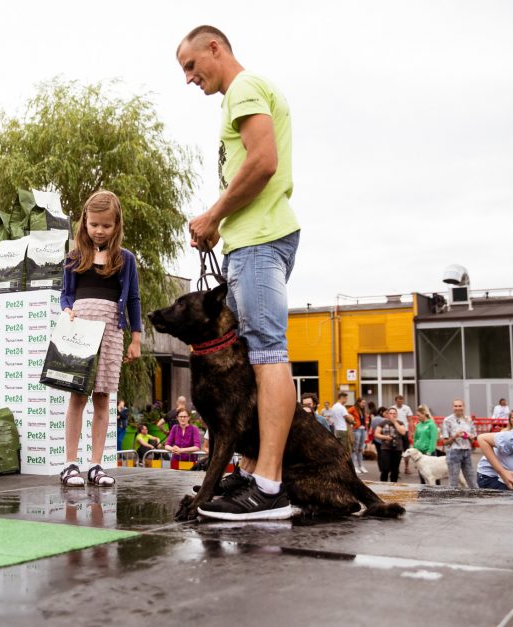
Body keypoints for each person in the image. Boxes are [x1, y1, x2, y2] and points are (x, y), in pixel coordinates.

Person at [180, 24, 300, 521]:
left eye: (191, 66)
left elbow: (264, 161)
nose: (189, 78)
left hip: (258, 240)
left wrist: (212, 216)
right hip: (256, 237)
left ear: (216, 48)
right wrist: (219, 224)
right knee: (256, 354)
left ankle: (268, 487)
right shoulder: (249, 92)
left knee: (268, 352)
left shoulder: (243, 89)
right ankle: (253, 471)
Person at [58, 190, 142, 487]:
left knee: (103, 397)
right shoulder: (74, 256)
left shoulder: (126, 259)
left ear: (116, 225)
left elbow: (132, 299)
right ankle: (70, 463)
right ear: (85, 223)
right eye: (94, 224)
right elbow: (66, 294)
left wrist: (136, 339)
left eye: (106, 225)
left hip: (110, 330)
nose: (99, 230)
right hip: (80, 329)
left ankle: (96, 464)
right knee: (77, 396)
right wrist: (67, 310)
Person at [441, 399, 479, 488]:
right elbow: (445, 442)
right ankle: (453, 500)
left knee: (472, 479)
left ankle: (477, 497)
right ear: (452, 407)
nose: (458, 408)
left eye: (460, 406)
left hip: (467, 451)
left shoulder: (468, 420)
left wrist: (470, 437)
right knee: (453, 481)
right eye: (456, 406)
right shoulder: (447, 420)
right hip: (453, 452)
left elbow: (473, 440)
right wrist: (455, 436)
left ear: (464, 407)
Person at [373, 407, 406, 482]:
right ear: (388, 414)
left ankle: (393, 486)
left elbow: (403, 432)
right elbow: (376, 434)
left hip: (397, 449)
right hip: (385, 448)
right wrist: (385, 437)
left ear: (396, 414)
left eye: (394, 413)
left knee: (395, 470)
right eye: (391, 413)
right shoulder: (383, 423)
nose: (392, 415)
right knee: (385, 469)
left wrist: (395, 422)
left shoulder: (400, 423)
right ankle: (383, 485)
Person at [413, 404, 440, 485]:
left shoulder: (431, 424)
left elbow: (433, 439)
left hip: (429, 453)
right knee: (422, 474)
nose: (417, 417)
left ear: (424, 414)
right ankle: (423, 490)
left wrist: (430, 451)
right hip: (419, 453)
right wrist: (414, 450)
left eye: (418, 415)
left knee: (433, 474)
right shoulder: (418, 425)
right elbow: (416, 438)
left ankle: (437, 490)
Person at [393, 395, 414, 474]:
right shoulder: (393, 408)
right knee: (396, 450)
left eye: (401, 400)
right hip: (396, 431)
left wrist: (412, 431)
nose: (400, 402)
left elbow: (410, 420)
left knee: (406, 450)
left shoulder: (407, 408)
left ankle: (407, 467)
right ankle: (396, 468)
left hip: (405, 431)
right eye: (398, 400)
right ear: (396, 401)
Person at [350, 397, 368, 474]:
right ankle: (354, 466)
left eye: (364, 403)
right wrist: (353, 422)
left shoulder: (363, 410)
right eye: (363, 403)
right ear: (358, 402)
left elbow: (365, 419)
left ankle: (361, 465)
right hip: (356, 429)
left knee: (361, 448)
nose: (364, 404)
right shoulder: (353, 408)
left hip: (363, 429)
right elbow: (347, 413)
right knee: (355, 448)